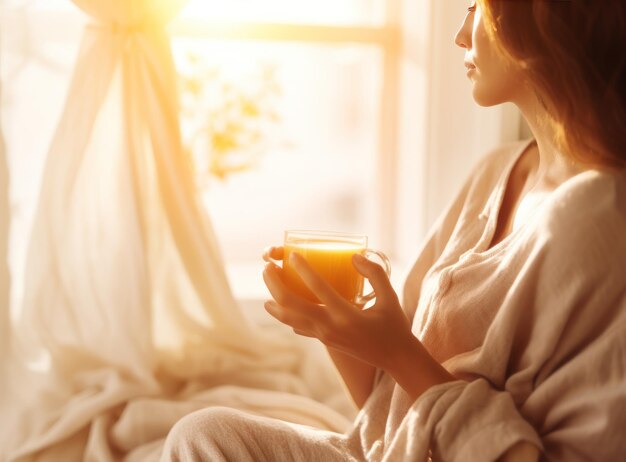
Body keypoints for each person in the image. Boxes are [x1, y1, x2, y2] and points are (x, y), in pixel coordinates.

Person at [161, 1, 626, 460]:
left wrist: (400, 352)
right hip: (378, 452)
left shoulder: (599, 220)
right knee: (202, 434)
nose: (461, 35)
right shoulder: (495, 172)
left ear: (541, 17)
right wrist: (334, 324)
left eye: (476, 8)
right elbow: (387, 409)